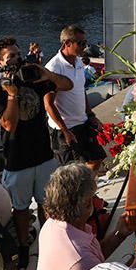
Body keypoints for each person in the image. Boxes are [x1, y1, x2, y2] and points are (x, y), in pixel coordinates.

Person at [0, 37, 73, 270]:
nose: (17, 60)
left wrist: (46, 73)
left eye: (18, 54)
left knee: (49, 205)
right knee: (21, 209)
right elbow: (8, 125)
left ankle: (51, 245)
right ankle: (24, 248)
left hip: (43, 155)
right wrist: (12, 95)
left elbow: (67, 85)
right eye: (11, 57)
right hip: (17, 160)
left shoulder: (34, 78)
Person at [45, 26, 107, 173]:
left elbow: (81, 90)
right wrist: (65, 130)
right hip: (65, 128)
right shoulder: (54, 68)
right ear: (67, 43)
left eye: (85, 43)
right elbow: (48, 103)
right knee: (69, 172)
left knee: (96, 158)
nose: (84, 46)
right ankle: (81, 194)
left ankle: (87, 193)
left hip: (82, 123)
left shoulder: (78, 62)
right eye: (80, 43)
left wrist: (91, 115)